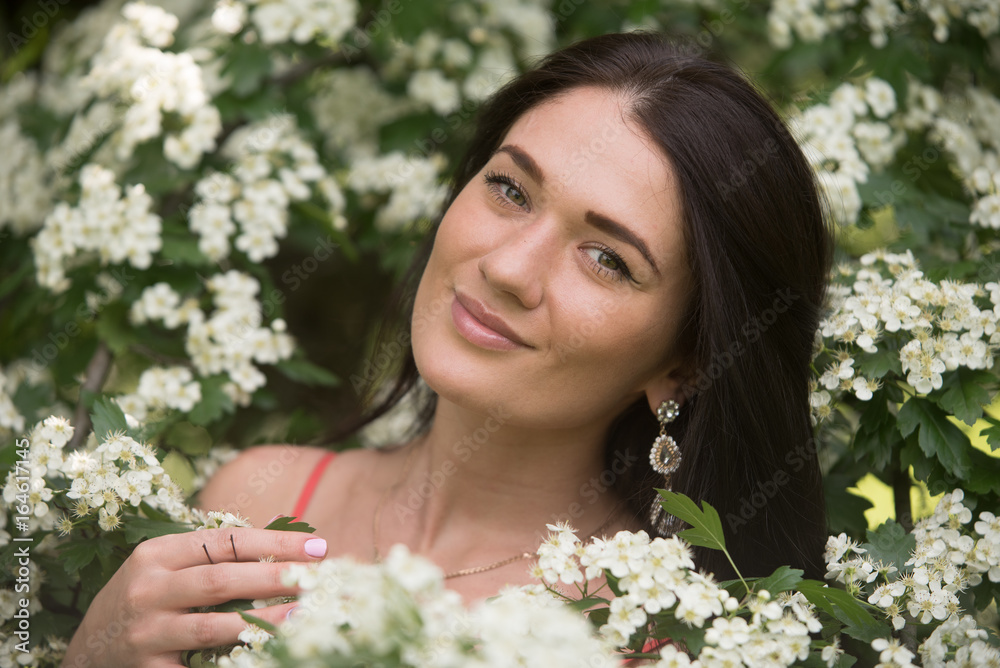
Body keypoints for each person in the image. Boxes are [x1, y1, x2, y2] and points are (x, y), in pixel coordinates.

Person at [61, 30, 832, 667]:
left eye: (607, 258)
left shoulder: (651, 637)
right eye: (510, 190)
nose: (507, 268)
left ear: (685, 363)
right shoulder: (258, 497)